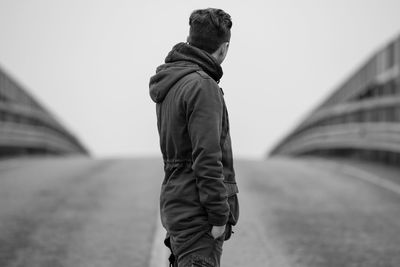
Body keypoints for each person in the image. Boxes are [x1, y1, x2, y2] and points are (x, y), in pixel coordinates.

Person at [149, 8, 239, 267]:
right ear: (223, 49)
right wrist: (220, 216)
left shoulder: (172, 82)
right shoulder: (203, 86)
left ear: (191, 41)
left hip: (177, 204)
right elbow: (207, 158)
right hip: (198, 215)